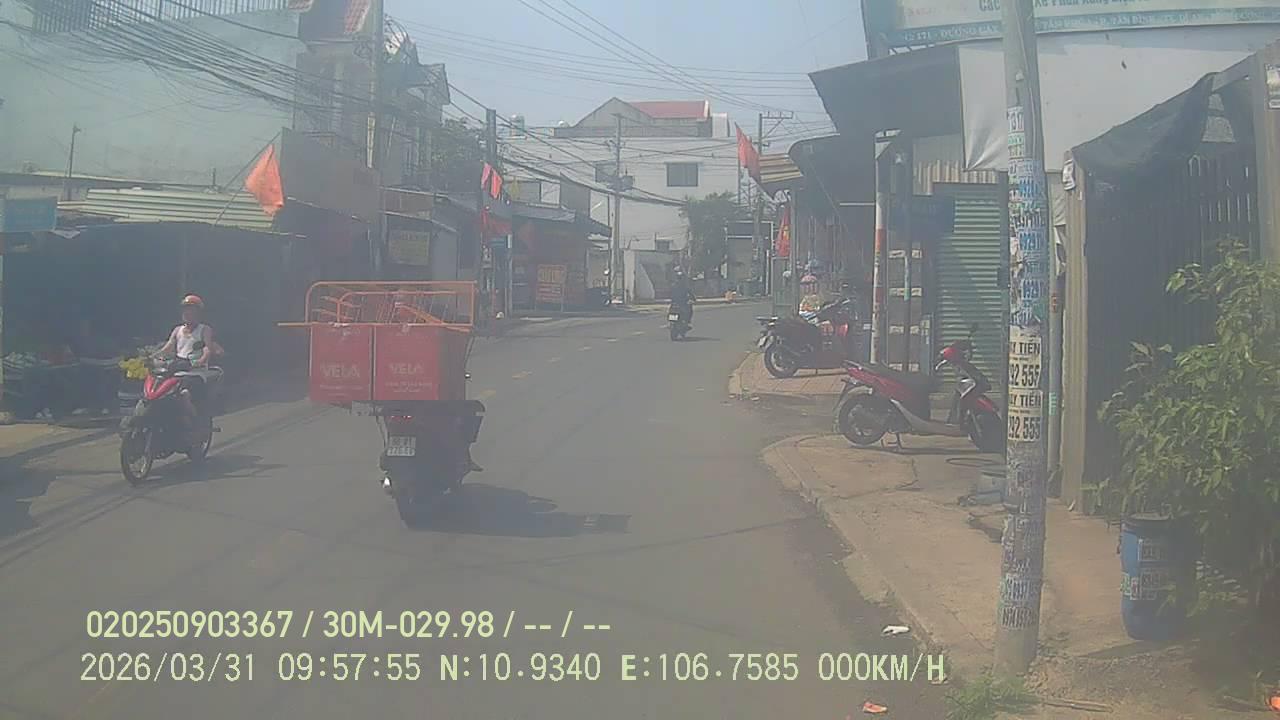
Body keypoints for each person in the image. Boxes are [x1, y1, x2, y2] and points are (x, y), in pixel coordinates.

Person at [155, 295, 223, 442]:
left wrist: (201, 360)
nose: (187, 313)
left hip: (195, 372)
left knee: (184, 394)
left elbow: (207, 347)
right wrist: (151, 356)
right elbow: (168, 347)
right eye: (185, 310)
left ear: (198, 313)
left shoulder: (205, 329)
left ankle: (196, 424)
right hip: (177, 370)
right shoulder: (177, 330)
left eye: (191, 310)